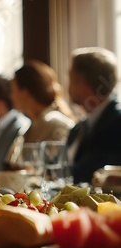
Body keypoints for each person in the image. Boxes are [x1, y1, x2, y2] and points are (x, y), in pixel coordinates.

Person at [66, 47, 121, 184]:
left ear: (82, 83)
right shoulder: (82, 125)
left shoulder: (117, 123)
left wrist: (47, 172)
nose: (67, 86)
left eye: (70, 78)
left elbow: (91, 172)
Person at [10, 60, 76, 143]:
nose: (10, 96)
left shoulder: (54, 124)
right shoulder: (33, 126)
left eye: (13, 91)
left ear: (25, 93)